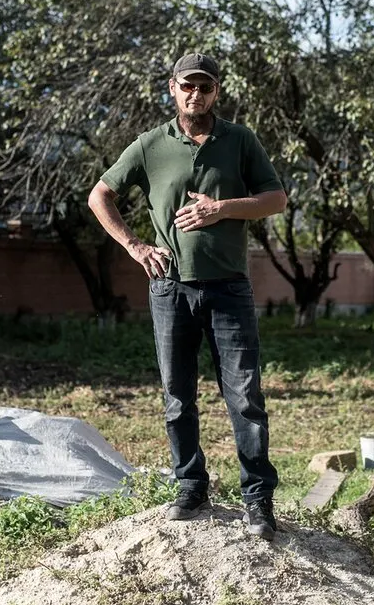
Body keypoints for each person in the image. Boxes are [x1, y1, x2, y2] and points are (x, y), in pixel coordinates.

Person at [87, 52, 288, 541]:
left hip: (228, 287)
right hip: (169, 287)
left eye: (205, 87)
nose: (195, 94)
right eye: (186, 86)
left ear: (217, 92)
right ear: (172, 89)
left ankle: (258, 499)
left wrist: (222, 209)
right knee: (177, 396)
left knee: (244, 396)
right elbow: (100, 195)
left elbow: (276, 199)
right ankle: (190, 486)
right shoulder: (150, 145)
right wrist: (135, 246)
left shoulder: (239, 140)